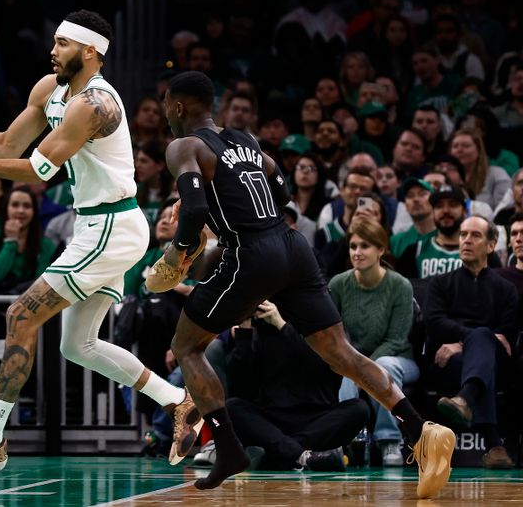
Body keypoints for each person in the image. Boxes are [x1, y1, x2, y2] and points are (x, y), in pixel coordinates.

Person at [0, 10, 201, 474]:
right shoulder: (49, 89)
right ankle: (177, 401)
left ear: (91, 52)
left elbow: (37, 170)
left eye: (63, 43)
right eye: (54, 41)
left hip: (113, 225)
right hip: (93, 224)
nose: (53, 50)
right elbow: (10, 145)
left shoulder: (96, 104)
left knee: (20, 313)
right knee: (78, 345)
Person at [158, 70, 453, 496]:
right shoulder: (246, 139)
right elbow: (282, 191)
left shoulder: (183, 146)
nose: (166, 114)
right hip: (292, 245)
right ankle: (419, 430)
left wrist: (177, 257)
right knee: (341, 353)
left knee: (186, 345)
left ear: (178, 106)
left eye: (168, 106)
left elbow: (194, 210)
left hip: (252, 251)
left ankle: (228, 448)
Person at [226, 302, 370, 471]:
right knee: (231, 406)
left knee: (359, 409)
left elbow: (321, 366)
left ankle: (278, 456)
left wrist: (282, 326)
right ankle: (303, 456)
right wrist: (244, 332)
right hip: (273, 420)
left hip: (317, 420)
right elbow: (241, 388)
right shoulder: (261, 329)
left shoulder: (327, 326)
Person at [424, 216, 518, 469]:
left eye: (475, 235)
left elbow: (506, 331)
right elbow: (434, 322)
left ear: (491, 245)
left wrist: (463, 341)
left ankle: (464, 399)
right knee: (481, 344)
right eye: (463, 234)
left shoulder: (506, 289)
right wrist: (472, 339)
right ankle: (495, 446)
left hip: (493, 361)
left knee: (483, 337)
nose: (466, 240)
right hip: (447, 362)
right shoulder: (441, 283)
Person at [330, 219, 419, 466]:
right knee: (344, 372)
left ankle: (389, 440)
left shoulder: (400, 285)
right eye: (353, 246)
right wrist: (355, 367)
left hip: (399, 358)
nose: (357, 252)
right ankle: (344, 439)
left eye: (365, 246)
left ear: (381, 249)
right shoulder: (338, 284)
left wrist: (362, 370)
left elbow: (397, 339)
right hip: (351, 358)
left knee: (384, 365)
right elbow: (333, 334)